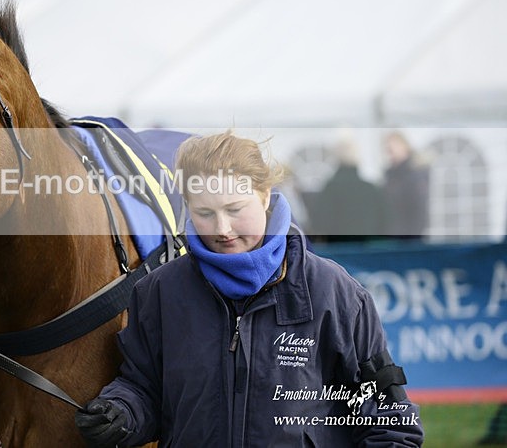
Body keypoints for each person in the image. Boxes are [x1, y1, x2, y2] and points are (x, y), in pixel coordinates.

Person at [75, 130, 424, 447]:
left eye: (235, 209)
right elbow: (144, 388)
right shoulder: (158, 293)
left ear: (265, 195)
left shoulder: (335, 293)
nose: (222, 228)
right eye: (205, 213)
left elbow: (391, 422)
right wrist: (121, 411)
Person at [311, 133, 385, 243]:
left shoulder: (330, 189)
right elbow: (385, 221)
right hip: (368, 247)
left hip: (338, 248)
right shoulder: (370, 189)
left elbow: (319, 222)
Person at [383, 131, 429, 239]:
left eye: (392, 149)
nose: (390, 154)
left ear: (404, 147)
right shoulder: (390, 176)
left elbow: (419, 212)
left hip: (408, 238)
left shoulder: (414, 175)